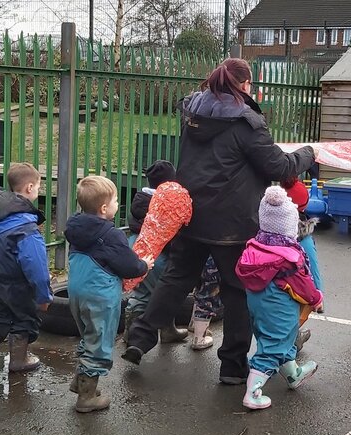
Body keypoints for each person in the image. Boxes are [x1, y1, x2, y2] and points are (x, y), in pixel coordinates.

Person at [122, 58, 315, 389]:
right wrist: (308, 154)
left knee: (176, 278)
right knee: (237, 291)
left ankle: (138, 340)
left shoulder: (193, 111)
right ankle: (232, 366)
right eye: (250, 84)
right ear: (243, 85)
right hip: (233, 223)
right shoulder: (246, 122)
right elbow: (279, 167)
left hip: (193, 212)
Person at [65, 176, 153, 413]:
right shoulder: (110, 235)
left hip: (76, 291)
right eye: (115, 200)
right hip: (100, 295)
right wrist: (143, 264)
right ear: (104, 208)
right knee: (100, 341)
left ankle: (81, 381)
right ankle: (86, 398)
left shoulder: (75, 228)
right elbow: (128, 266)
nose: (117, 204)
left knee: (88, 335)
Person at [235, 186, 323, 410]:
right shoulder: (289, 257)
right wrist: (316, 298)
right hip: (279, 306)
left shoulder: (255, 248)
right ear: (289, 225)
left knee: (275, 338)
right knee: (274, 345)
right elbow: (304, 285)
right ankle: (252, 393)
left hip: (257, 304)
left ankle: (293, 374)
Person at [0, 163, 52, 374]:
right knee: (25, 319)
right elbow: (36, 267)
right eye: (39, 187)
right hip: (17, 285)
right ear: (30, 188)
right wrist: (44, 296)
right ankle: (19, 360)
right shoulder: (26, 229)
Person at [123, 160, 188, 344]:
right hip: (156, 254)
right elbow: (168, 233)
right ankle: (162, 331)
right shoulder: (166, 203)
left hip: (135, 246)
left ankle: (130, 332)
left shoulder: (140, 200)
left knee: (142, 291)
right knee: (164, 294)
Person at [281, 176, 323, 350]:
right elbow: (312, 267)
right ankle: (291, 341)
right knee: (296, 315)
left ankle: (291, 337)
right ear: (305, 205)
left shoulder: (271, 231)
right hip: (297, 288)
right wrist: (318, 294)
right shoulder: (304, 239)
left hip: (272, 286)